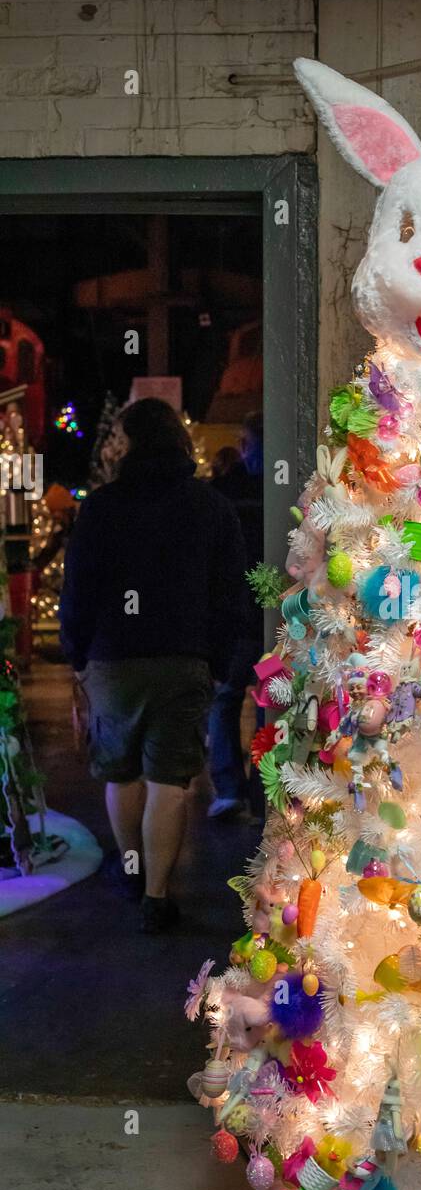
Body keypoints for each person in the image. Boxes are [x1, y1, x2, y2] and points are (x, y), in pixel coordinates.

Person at [60, 398, 247, 933]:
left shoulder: (101, 507)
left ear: (131, 443)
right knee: (169, 781)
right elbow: (229, 593)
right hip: (184, 658)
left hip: (113, 659)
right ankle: (157, 896)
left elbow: (80, 592)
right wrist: (215, 660)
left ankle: (133, 868)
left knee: (121, 772)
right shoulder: (211, 508)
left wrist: (76, 657)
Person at [206, 414, 264, 819]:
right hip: (274, 613)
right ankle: (264, 793)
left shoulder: (222, 492)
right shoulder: (287, 485)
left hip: (233, 613)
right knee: (268, 702)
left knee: (226, 699)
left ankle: (229, 789)